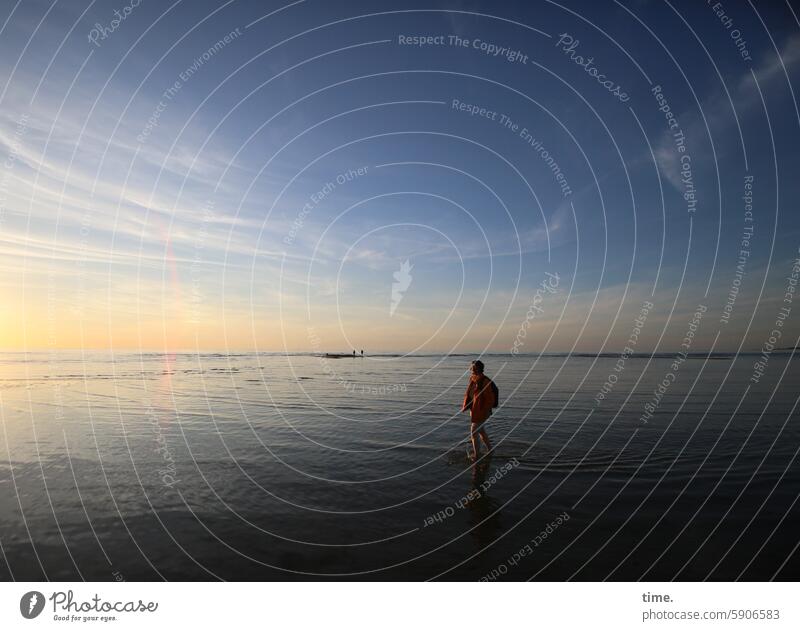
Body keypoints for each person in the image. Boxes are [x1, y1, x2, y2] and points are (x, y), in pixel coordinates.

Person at [461, 360, 497, 459]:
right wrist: (466, 406)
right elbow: (470, 394)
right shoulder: (472, 378)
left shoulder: (485, 381)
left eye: (472, 368)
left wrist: (485, 413)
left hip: (482, 411)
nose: (470, 369)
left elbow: (490, 400)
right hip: (474, 409)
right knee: (480, 430)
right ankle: (490, 450)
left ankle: (477, 455)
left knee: (473, 431)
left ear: (477, 368)